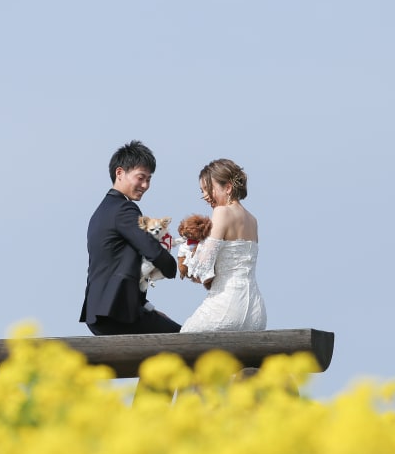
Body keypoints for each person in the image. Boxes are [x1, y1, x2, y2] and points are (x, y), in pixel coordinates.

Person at [80, 140, 181, 335]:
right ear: (120, 173)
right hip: (116, 313)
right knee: (187, 341)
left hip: (103, 311)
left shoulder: (102, 211)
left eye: (149, 179)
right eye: (141, 177)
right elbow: (152, 250)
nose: (145, 185)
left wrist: (149, 309)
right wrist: (172, 266)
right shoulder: (124, 209)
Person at [182, 158, 266, 332]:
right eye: (202, 191)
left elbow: (202, 267)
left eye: (208, 189)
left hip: (226, 306)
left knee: (185, 338)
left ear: (228, 188)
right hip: (256, 312)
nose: (205, 196)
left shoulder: (221, 212)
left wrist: (188, 249)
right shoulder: (252, 219)